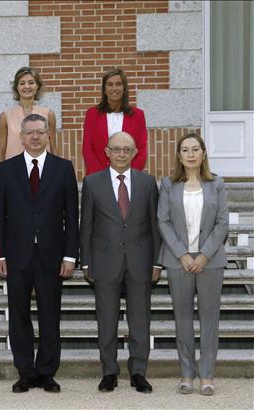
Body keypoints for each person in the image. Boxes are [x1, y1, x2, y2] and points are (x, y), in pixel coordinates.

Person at [0, 113, 78, 394]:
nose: (34, 137)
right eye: (29, 132)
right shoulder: (6, 170)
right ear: (20, 137)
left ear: (48, 135)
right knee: (19, 316)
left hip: (52, 256)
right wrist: (0, 255)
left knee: (49, 316)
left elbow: (71, 215)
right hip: (16, 256)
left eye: (40, 132)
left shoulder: (63, 168)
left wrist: (70, 255)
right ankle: (26, 372)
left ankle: (46, 373)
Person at [80, 131, 161, 394]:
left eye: (127, 149)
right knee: (106, 321)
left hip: (140, 261)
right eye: (116, 149)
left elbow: (155, 224)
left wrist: (157, 262)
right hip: (104, 261)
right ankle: (109, 372)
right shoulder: (92, 183)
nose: (121, 154)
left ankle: (138, 372)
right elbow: (86, 225)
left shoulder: (148, 183)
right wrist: (86, 261)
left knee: (140, 321)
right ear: (107, 152)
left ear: (135, 153)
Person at [158, 133, 228, 396]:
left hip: (210, 261)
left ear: (203, 153)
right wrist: (183, 254)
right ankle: (187, 373)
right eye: (185, 150)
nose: (190, 154)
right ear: (179, 155)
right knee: (183, 319)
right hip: (179, 262)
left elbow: (222, 223)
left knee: (209, 319)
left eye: (195, 149)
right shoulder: (168, 184)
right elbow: (163, 221)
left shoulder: (216, 184)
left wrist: (204, 255)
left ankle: (207, 373)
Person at [82, 68, 148, 175]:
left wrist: (128, 176)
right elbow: (87, 149)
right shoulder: (92, 114)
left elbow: (141, 149)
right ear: (104, 89)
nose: (114, 88)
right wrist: (102, 177)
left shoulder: (138, 115)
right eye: (110, 84)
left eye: (118, 84)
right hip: (98, 178)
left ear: (124, 88)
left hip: (128, 179)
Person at [0, 66, 58, 162]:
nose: (27, 86)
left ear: (37, 86)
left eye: (31, 82)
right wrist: (0, 171)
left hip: (42, 168)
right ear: (17, 87)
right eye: (22, 83)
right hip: (14, 169)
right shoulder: (5, 117)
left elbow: (53, 147)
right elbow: (1, 151)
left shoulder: (48, 115)